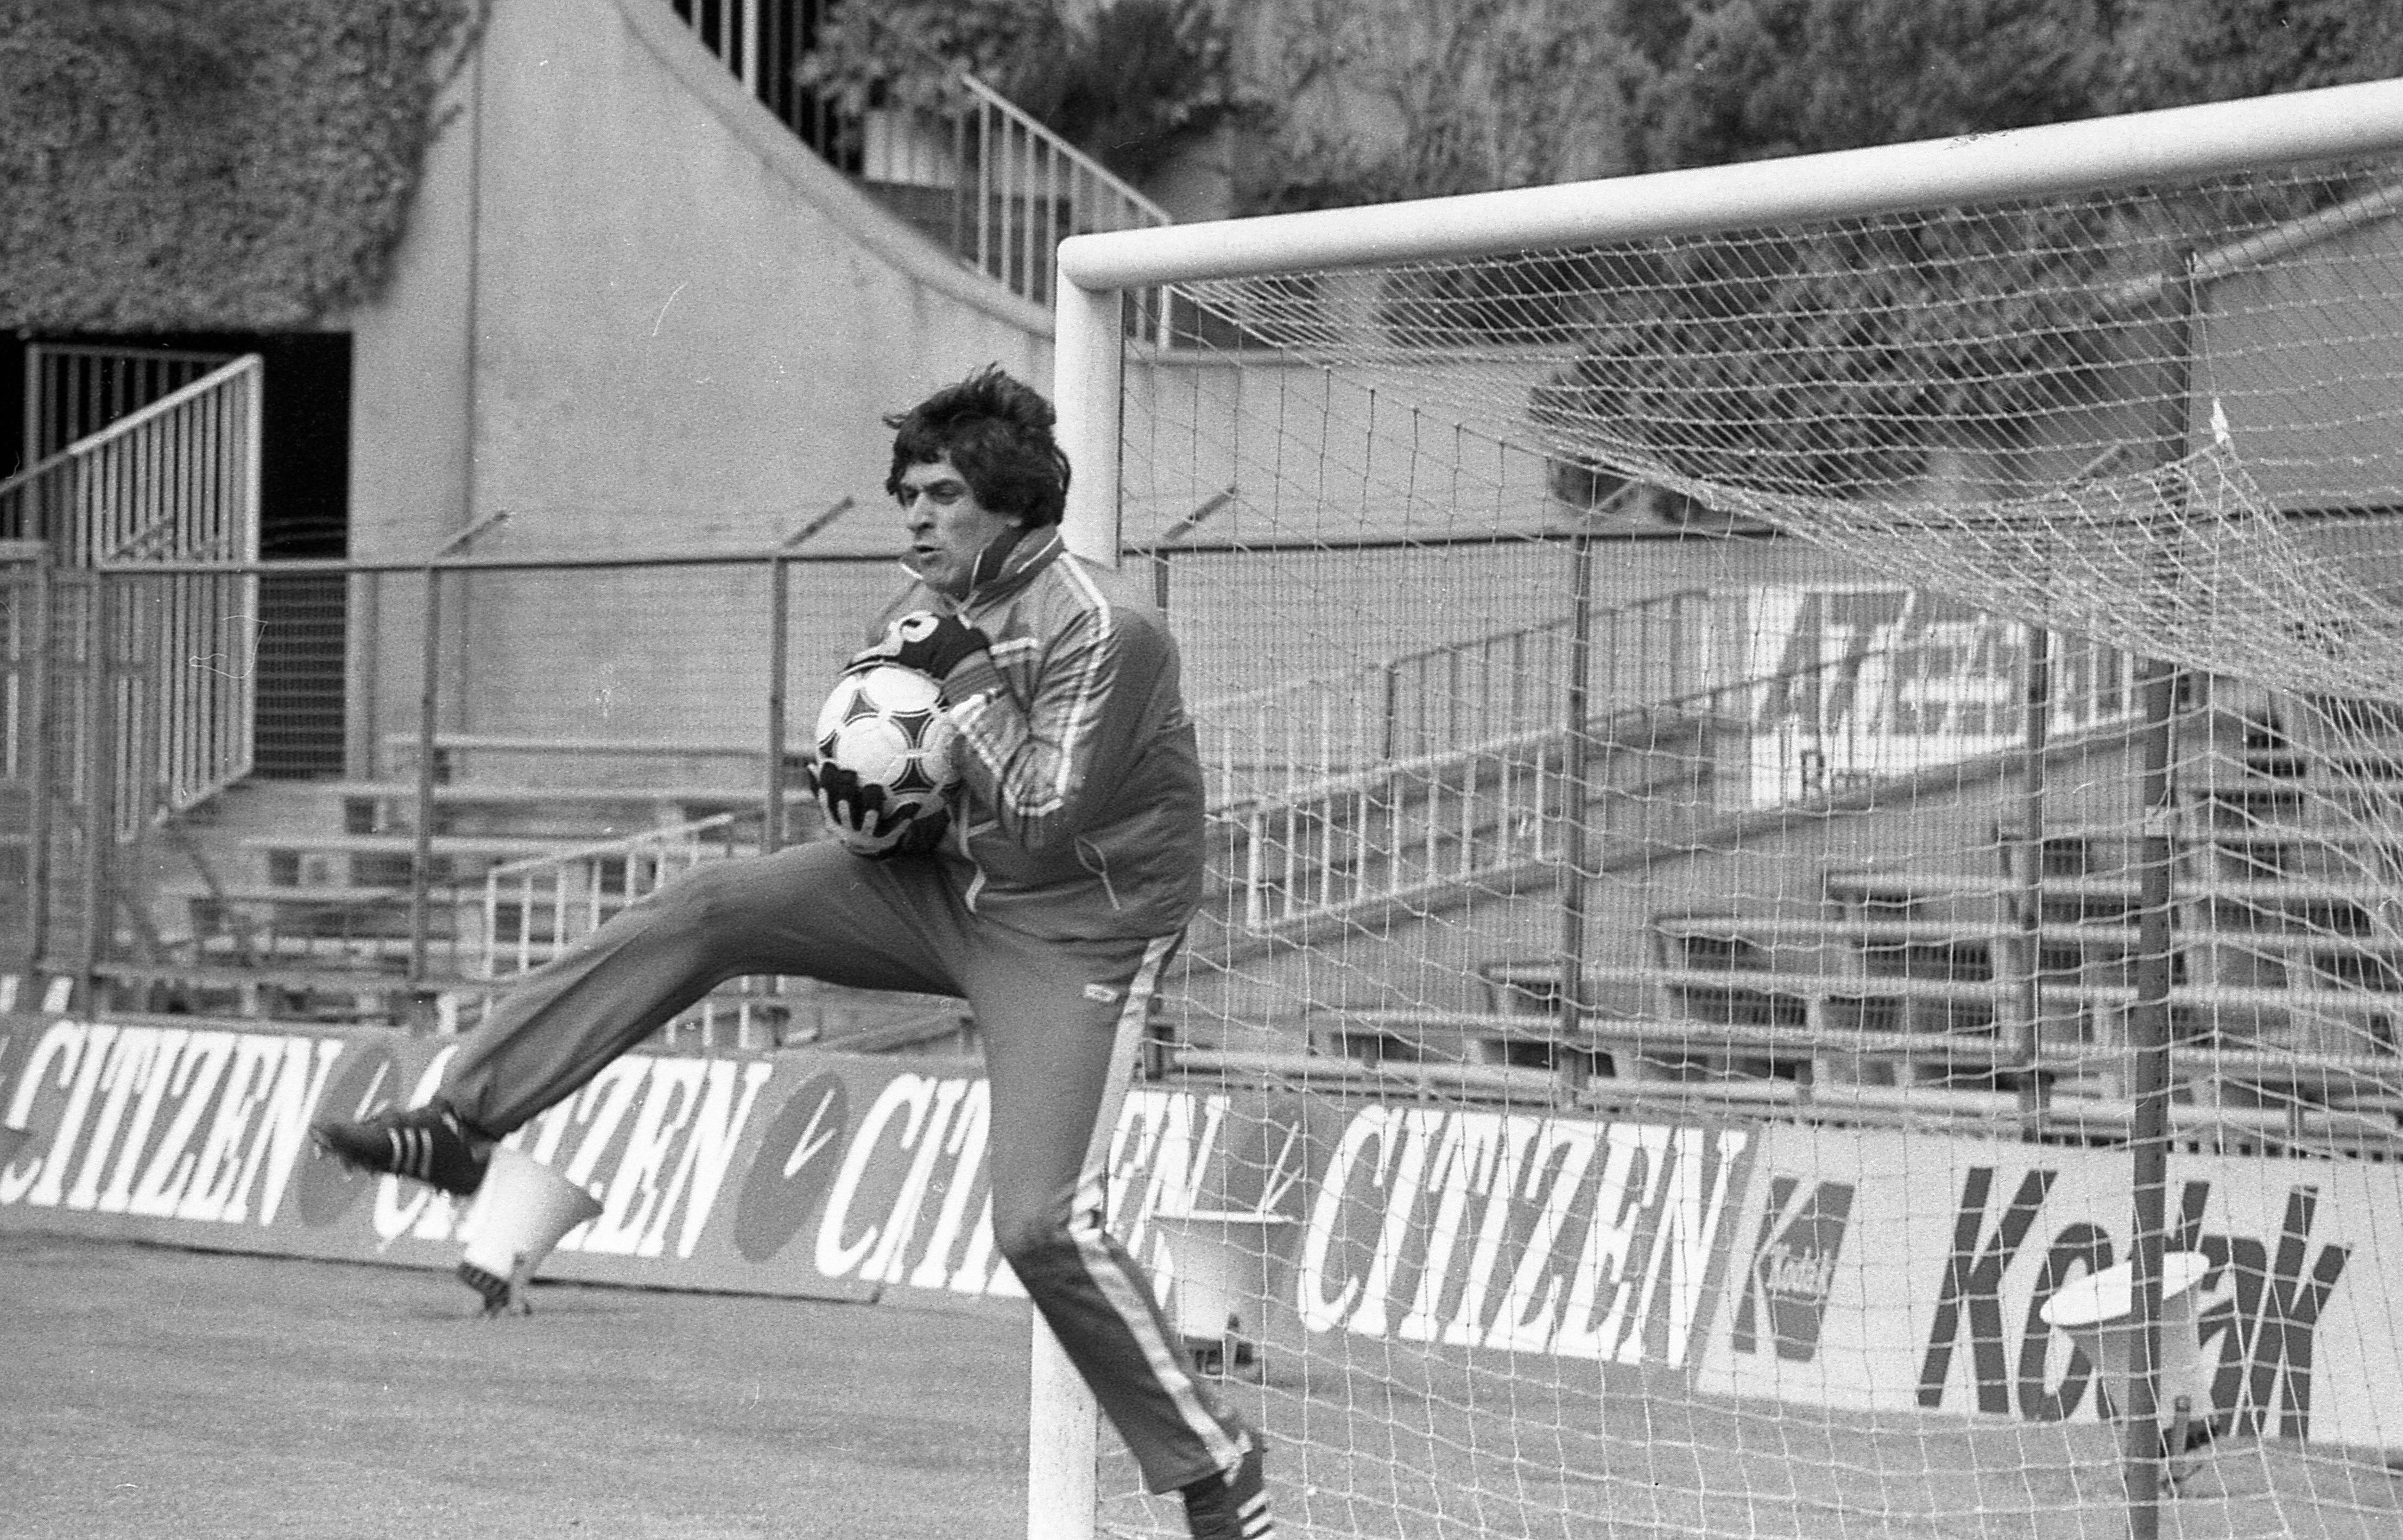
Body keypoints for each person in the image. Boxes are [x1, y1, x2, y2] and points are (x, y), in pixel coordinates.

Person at [313, 366, 1274, 1540]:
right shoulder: (914, 616)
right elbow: (897, 792)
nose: (913, 520)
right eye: (905, 496)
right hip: (947, 885)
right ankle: (462, 1123)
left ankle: (1215, 1463)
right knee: (711, 905)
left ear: (1012, 503)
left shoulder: (1109, 629)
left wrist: (960, 676)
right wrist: (869, 795)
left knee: (1039, 1226)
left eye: (940, 496)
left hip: (1078, 928)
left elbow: (1039, 814)